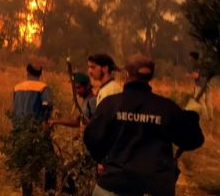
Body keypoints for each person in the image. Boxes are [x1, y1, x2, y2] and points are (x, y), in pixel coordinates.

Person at [84, 54, 204, 196]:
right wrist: (192, 115)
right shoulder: (166, 108)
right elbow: (193, 139)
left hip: (113, 185)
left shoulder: (110, 104)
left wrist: (104, 160)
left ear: (127, 73)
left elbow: (91, 139)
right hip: (155, 187)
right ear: (150, 77)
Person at [12, 63, 56, 196]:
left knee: (26, 166)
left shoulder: (17, 87)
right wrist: (45, 121)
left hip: (20, 131)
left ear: (27, 71)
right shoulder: (43, 87)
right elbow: (46, 105)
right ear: (41, 73)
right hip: (37, 132)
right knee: (51, 162)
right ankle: (49, 192)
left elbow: (14, 109)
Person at [188, 51, 213, 120]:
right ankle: (211, 117)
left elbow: (196, 75)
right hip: (208, 84)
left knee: (201, 102)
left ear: (193, 57)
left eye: (190, 57)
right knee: (208, 101)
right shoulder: (203, 64)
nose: (189, 58)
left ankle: (205, 118)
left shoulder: (195, 64)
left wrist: (189, 75)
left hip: (200, 85)